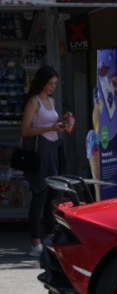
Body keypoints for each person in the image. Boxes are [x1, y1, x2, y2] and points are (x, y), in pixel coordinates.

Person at [20, 65, 68, 257]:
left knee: (52, 196)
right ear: (42, 82)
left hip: (54, 150)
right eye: (49, 84)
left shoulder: (51, 101)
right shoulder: (34, 102)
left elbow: (51, 124)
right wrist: (50, 129)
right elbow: (26, 130)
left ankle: (49, 234)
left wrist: (61, 124)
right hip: (40, 153)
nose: (52, 87)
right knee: (39, 195)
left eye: (54, 84)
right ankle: (35, 241)